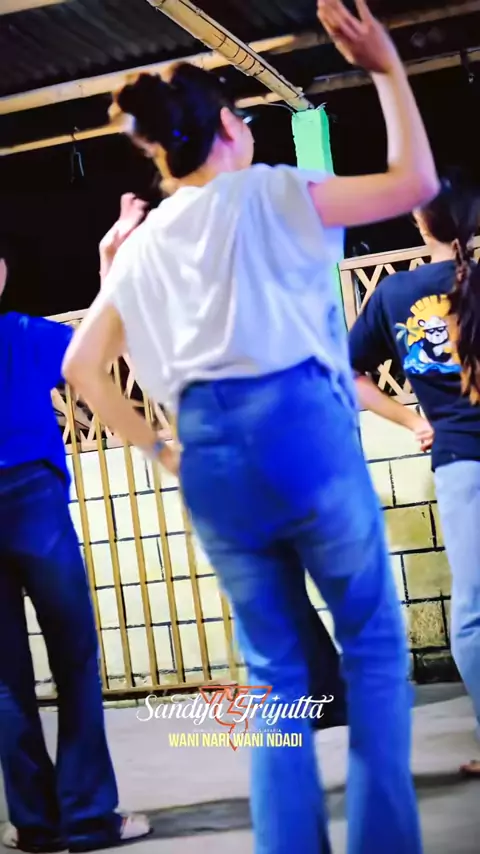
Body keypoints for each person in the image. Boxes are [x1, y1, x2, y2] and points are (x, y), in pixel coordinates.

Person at [62, 0, 439, 851]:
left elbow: (82, 367)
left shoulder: (142, 245)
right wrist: (386, 67)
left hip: (209, 453)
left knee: (275, 677)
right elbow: (414, 184)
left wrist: (161, 448)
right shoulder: (273, 191)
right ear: (230, 128)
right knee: (372, 648)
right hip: (301, 427)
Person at [0, 211, 152, 853]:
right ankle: (89, 818)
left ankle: (36, 827)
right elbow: (100, 347)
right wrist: (109, 266)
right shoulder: (20, 333)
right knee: (74, 658)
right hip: (31, 498)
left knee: (5, 679)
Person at [349, 176, 480, 778]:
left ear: (421, 223)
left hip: (460, 462)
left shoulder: (396, 293)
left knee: (474, 611)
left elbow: (345, 371)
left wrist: (411, 420)